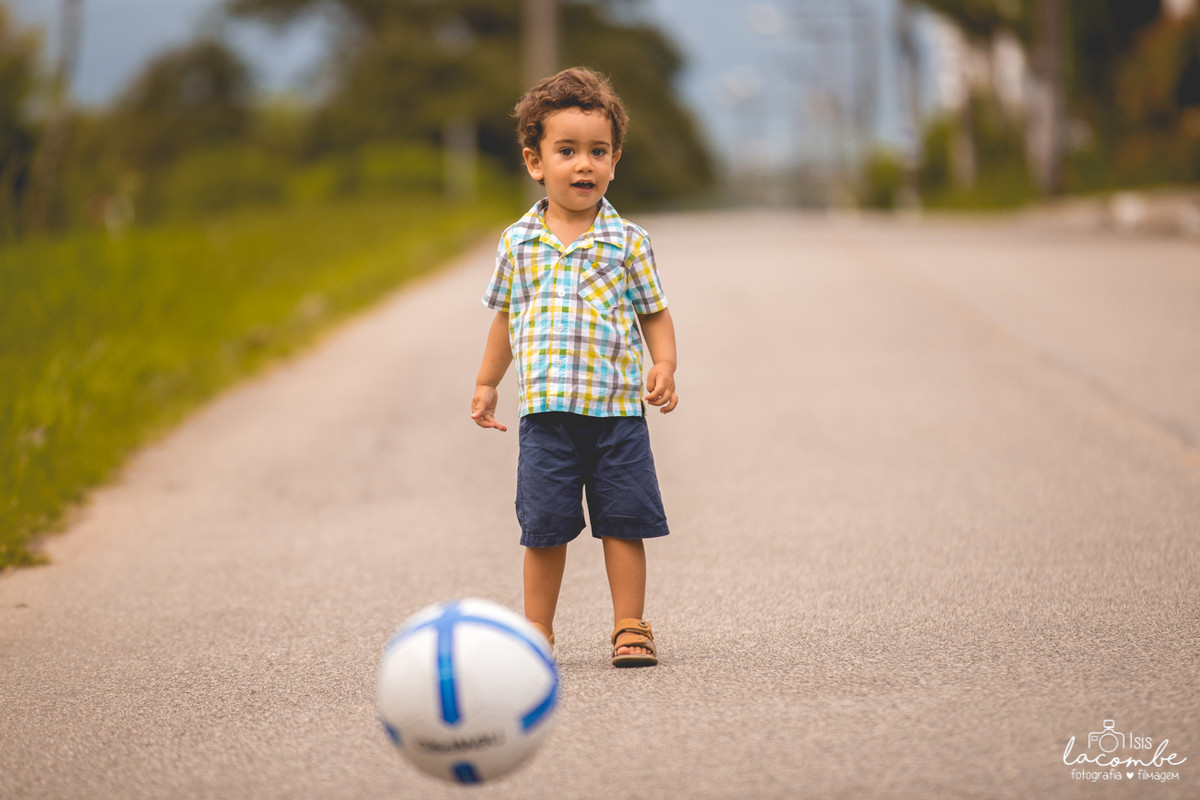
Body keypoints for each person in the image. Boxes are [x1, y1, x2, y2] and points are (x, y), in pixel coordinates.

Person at [470, 67, 678, 668]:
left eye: (598, 152)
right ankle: (537, 631)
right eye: (567, 152)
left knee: (623, 521)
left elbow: (654, 313)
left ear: (615, 161)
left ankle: (630, 626)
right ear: (535, 161)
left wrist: (663, 362)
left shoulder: (628, 242)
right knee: (544, 528)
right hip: (545, 418)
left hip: (616, 415)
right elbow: (506, 320)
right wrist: (487, 382)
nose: (583, 165)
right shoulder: (519, 243)